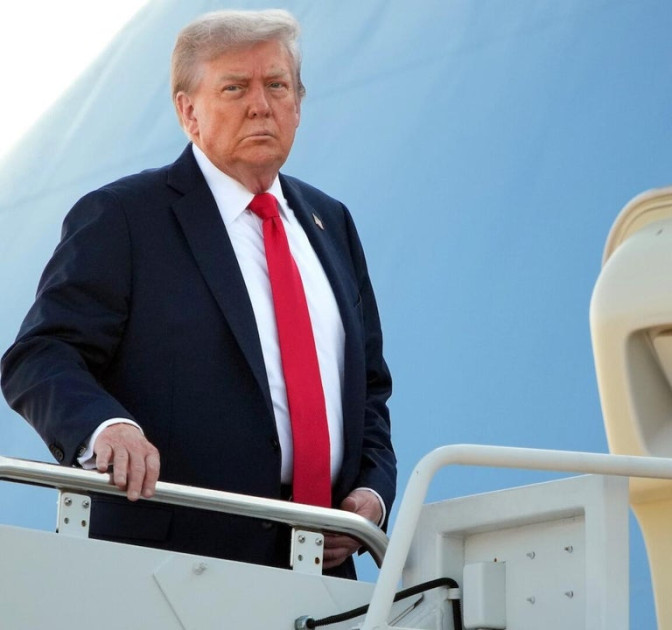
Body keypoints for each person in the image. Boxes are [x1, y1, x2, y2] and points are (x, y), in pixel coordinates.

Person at [0, 9, 394, 578]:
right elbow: (40, 355)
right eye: (234, 87)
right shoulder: (125, 218)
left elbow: (370, 390)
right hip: (173, 565)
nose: (260, 104)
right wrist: (107, 428)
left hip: (324, 570)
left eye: (277, 85)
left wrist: (371, 494)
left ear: (299, 103)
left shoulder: (332, 224)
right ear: (188, 111)